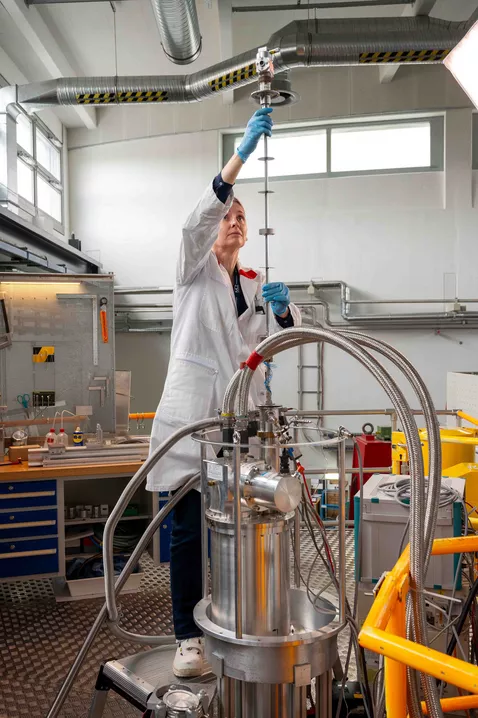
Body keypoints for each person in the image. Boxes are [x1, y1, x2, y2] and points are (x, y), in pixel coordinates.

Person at [146, 106, 301, 678]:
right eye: (227, 213)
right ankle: (188, 637)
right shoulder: (192, 271)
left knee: (242, 530)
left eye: (241, 215)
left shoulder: (256, 286)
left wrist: (284, 313)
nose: (234, 220)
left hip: (242, 428)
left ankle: (239, 619)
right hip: (192, 424)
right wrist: (239, 160)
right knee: (188, 530)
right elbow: (196, 220)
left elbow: (276, 346)